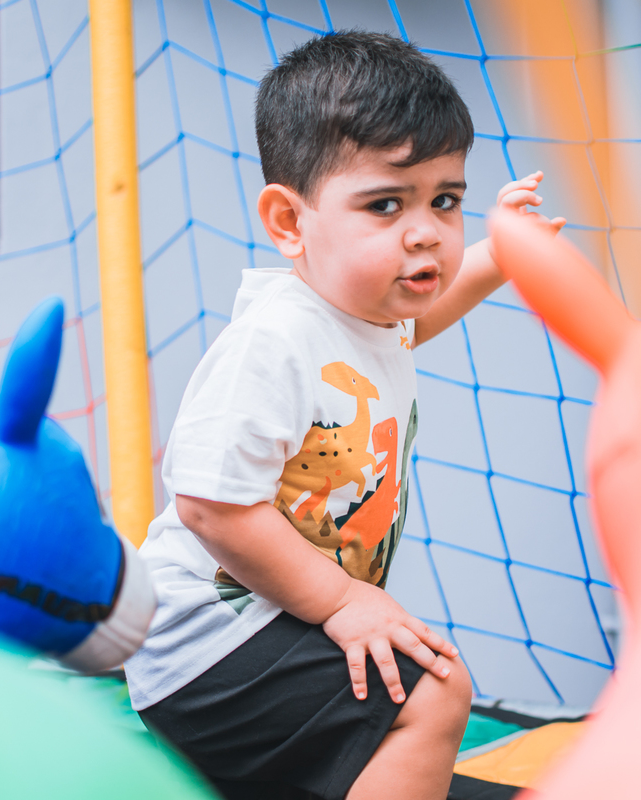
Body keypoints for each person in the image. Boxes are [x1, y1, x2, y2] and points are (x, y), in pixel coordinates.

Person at [124, 30, 565, 800]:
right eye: (386, 204)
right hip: (202, 646)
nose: (426, 230)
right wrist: (343, 600)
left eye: (446, 201)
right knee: (434, 690)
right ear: (290, 223)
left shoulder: (365, 320)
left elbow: (421, 319)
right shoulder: (275, 339)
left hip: (266, 629)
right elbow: (209, 503)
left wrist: (501, 251)